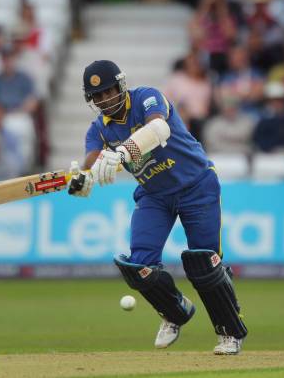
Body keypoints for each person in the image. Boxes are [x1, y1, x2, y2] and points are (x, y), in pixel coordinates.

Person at [68, 60, 247, 355]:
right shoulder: (99, 129)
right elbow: (91, 159)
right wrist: (82, 177)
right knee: (138, 266)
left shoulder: (146, 97)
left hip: (196, 185)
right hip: (154, 196)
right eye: (97, 97)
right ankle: (175, 312)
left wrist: (124, 152)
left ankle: (230, 331)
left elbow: (159, 127)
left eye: (108, 92)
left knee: (205, 263)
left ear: (121, 86)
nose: (104, 100)